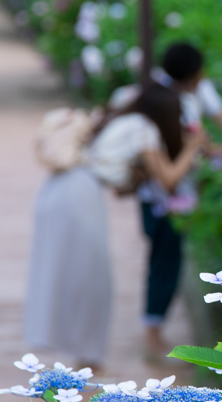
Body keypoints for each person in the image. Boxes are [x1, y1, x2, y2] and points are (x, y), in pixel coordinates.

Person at [24, 84, 206, 370]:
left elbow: (120, 180)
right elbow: (169, 180)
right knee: (93, 278)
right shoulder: (144, 128)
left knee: (78, 273)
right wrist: (193, 147)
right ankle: (88, 359)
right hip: (79, 191)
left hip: (61, 189)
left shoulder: (123, 121)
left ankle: (85, 355)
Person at [128, 43, 222, 356]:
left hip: (181, 194)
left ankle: (154, 328)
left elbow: (217, 125)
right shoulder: (162, 101)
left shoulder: (181, 90)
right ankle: (152, 332)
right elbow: (181, 159)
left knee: (168, 260)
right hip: (166, 197)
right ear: (196, 75)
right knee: (165, 261)